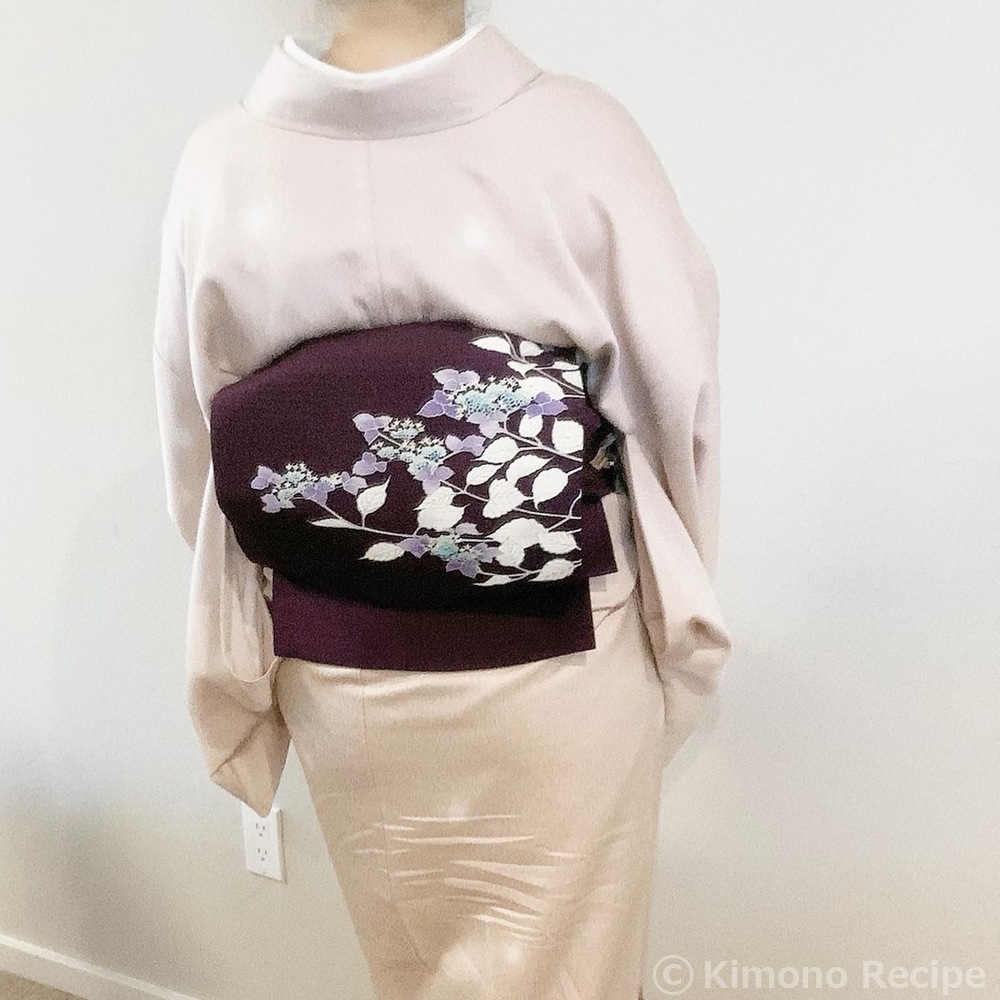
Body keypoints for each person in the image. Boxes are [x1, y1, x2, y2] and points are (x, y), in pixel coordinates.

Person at [151, 0, 733, 996]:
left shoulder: (220, 164)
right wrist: (675, 612)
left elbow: (197, 456)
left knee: (414, 965)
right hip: (563, 650)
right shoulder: (579, 133)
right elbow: (678, 413)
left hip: (337, 658)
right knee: (576, 967)